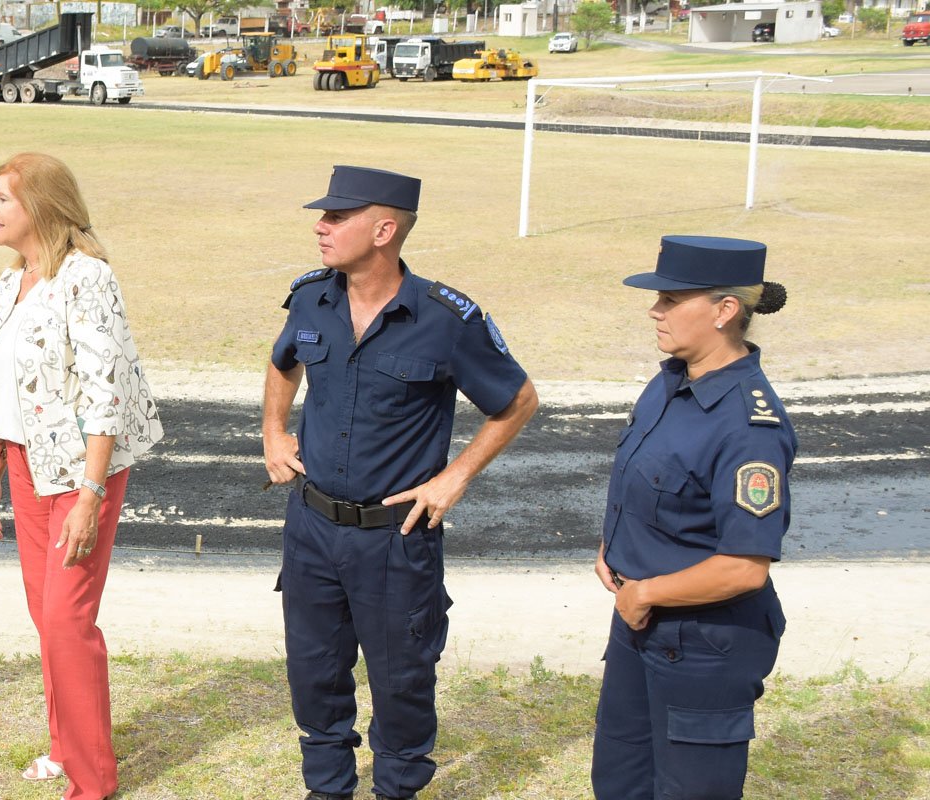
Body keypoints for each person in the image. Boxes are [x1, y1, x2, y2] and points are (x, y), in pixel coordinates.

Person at [262, 165, 539, 800]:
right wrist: (274, 433)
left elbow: (518, 400)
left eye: (337, 217)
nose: (320, 226)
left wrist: (454, 478)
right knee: (313, 674)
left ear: (384, 230)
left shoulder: (447, 318)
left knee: (401, 682)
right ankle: (326, 790)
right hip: (311, 529)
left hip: (394, 539)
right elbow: (282, 363)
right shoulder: (311, 297)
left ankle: (398, 790)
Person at [0, 153, 163, 800]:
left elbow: (105, 390)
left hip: (81, 473)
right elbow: (6, 384)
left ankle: (92, 781)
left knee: (65, 620)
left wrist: (91, 492)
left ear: (41, 208)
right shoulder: (12, 280)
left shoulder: (87, 278)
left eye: (3, 198)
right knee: (43, 615)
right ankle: (63, 746)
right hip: (24, 464)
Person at [591, 236, 793, 799]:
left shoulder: (749, 428)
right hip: (639, 623)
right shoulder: (670, 382)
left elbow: (745, 569)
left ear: (725, 310)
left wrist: (646, 591)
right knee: (619, 781)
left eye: (672, 299)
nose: (655, 310)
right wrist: (613, 545)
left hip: (704, 644)